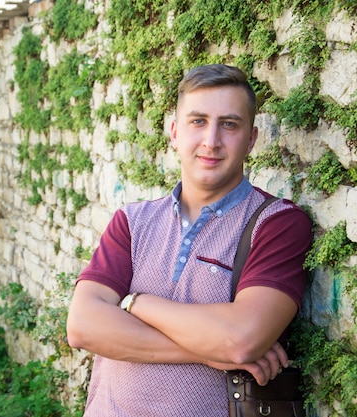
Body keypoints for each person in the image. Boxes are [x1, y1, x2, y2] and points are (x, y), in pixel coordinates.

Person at [66, 64, 312, 417]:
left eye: (229, 124)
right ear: (175, 132)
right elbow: (82, 326)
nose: (211, 141)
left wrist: (134, 303)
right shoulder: (132, 223)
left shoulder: (276, 225)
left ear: (252, 138)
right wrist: (207, 351)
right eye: (197, 121)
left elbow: (242, 339)